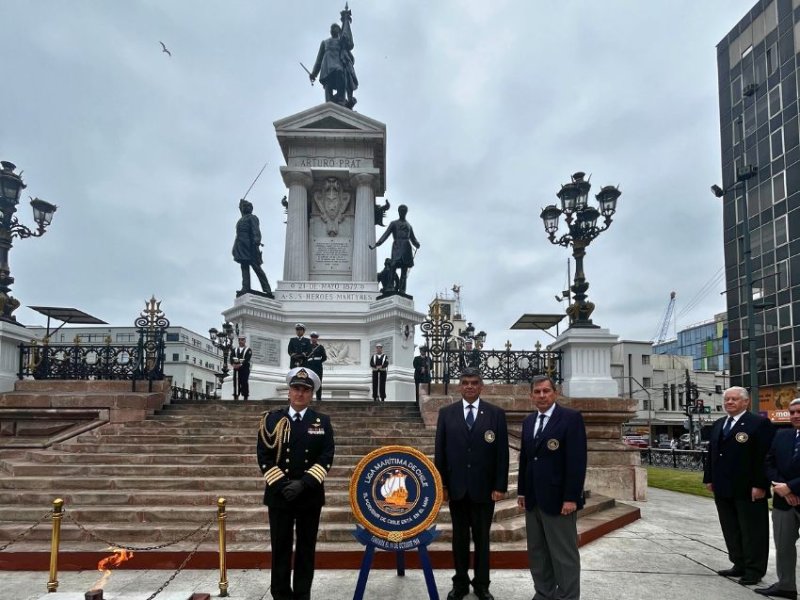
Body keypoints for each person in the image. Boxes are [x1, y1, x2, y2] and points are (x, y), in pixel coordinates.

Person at [257, 367, 334, 600]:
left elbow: (326, 457)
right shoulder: (272, 419)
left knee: (305, 548)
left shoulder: (322, 421)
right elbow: (264, 456)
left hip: (309, 494)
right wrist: (282, 485)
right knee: (280, 547)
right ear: (289, 392)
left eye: (305, 390)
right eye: (296, 388)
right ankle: (280, 594)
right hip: (279, 495)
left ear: (311, 394)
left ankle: (302, 594)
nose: (300, 393)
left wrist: (304, 484)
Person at [434, 367, 509, 600]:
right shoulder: (446, 413)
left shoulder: (495, 414)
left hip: (484, 490)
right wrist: (442, 485)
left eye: (474, 382)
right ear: (459, 386)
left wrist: (500, 486)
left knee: (482, 539)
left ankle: (482, 584)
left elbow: (502, 453)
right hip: (456, 489)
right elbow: (440, 452)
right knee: (459, 539)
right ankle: (460, 584)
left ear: (481, 386)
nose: (469, 386)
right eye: (465, 382)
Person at [517, 375, 587, 600]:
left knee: (563, 554)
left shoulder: (570, 418)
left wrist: (571, 497)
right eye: (537, 392)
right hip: (533, 499)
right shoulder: (529, 421)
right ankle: (544, 593)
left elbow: (577, 461)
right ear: (531, 395)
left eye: (546, 391)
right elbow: (526, 460)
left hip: (559, 500)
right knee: (537, 552)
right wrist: (522, 491)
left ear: (555, 393)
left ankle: (567, 596)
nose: (542, 395)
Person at [703, 386, 774, 586]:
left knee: (752, 531)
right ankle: (738, 563)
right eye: (727, 399)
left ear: (746, 402)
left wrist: (760, 484)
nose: (729, 402)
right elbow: (712, 453)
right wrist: (709, 478)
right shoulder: (719, 424)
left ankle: (754, 570)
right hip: (723, 486)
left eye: (734, 399)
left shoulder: (759, 423)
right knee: (731, 528)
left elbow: (765, 456)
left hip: (748, 488)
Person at [756, 397, 800, 598]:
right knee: (783, 547)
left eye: (799, 412)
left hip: (790, 492)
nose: (795, 415)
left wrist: (791, 487)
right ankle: (786, 586)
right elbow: (769, 462)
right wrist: (782, 488)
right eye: (792, 412)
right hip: (783, 503)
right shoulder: (782, 435)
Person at [309, 6, 358, 109]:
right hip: (327, 65)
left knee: (340, 73)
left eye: (335, 28)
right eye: (332, 28)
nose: (333, 29)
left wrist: (346, 21)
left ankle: (341, 99)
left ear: (339, 31)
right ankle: (329, 102)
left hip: (338, 64)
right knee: (328, 85)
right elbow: (319, 60)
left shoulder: (341, 42)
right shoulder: (325, 42)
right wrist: (314, 73)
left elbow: (348, 43)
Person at [370, 204, 420, 294]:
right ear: (399, 212)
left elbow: (413, 238)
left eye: (404, 211)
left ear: (406, 212)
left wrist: (416, 244)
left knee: (404, 270)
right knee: (393, 266)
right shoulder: (394, 223)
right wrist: (378, 243)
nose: (402, 213)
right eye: (401, 211)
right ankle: (390, 287)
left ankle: (402, 289)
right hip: (397, 247)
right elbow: (386, 234)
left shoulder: (409, 226)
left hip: (406, 248)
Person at [232, 199, 272, 296]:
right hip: (240, 245)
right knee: (244, 266)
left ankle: (267, 289)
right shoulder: (241, 219)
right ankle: (245, 287)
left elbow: (256, 230)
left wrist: (256, 241)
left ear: (251, 209)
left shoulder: (252, 217)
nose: (246, 208)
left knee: (256, 267)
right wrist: (241, 204)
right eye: (244, 206)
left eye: (248, 206)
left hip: (250, 246)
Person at [305, 332, 327, 402]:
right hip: (310, 366)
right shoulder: (307, 347)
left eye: (315, 337)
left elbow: (324, 357)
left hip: (318, 367)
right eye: (312, 337)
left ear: (317, 338)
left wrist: (318, 362)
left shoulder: (320, 347)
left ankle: (318, 398)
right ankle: (309, 397)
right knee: (309, 382)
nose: (314, 339)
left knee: (318, 382)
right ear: (311, 338)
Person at [231, 335, 252, 401]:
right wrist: (233, 364)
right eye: (239, 340)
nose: (240, 341)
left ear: (245, 341)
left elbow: (247, 359)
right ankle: (236, 395)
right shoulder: (235, 349)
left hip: (245, 369)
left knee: (244, 382)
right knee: (236, 382)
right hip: (236, 369)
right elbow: (231, 357)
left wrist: (240, 364)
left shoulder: (248, 350)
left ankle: (245, 396)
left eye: (242, 340)